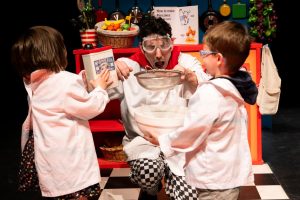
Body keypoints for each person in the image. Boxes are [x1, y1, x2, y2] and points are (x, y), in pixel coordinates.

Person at [144, 20, 257, 200]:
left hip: (213, 178)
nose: (202, 58)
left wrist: (162, 141)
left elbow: (191, 133)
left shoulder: (210, 93)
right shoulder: (236, 87)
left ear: (218, 58)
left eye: (204, 53)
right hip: (230, 174)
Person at [109, 16, 209, 199]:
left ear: (171, 43)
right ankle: (151, 188)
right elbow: (93, 89)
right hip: (143, 141)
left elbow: (207, 86)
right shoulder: (128, 68)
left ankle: (173, 177)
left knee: (188, 196)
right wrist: (109, 69)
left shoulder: (186, 63)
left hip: (179, 143)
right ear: (141, 47)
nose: (158, 54)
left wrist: (193, 78)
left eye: (163, 44)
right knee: (149, 173)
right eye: (150, 46)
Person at [11, 25, 112, 199]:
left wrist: (82, 80)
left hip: (51, 165)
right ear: (55, 52)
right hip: (71, 165)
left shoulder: (33, 83)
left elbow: (63, 96)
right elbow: (90, 107)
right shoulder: (64, 82)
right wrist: (101, 90)